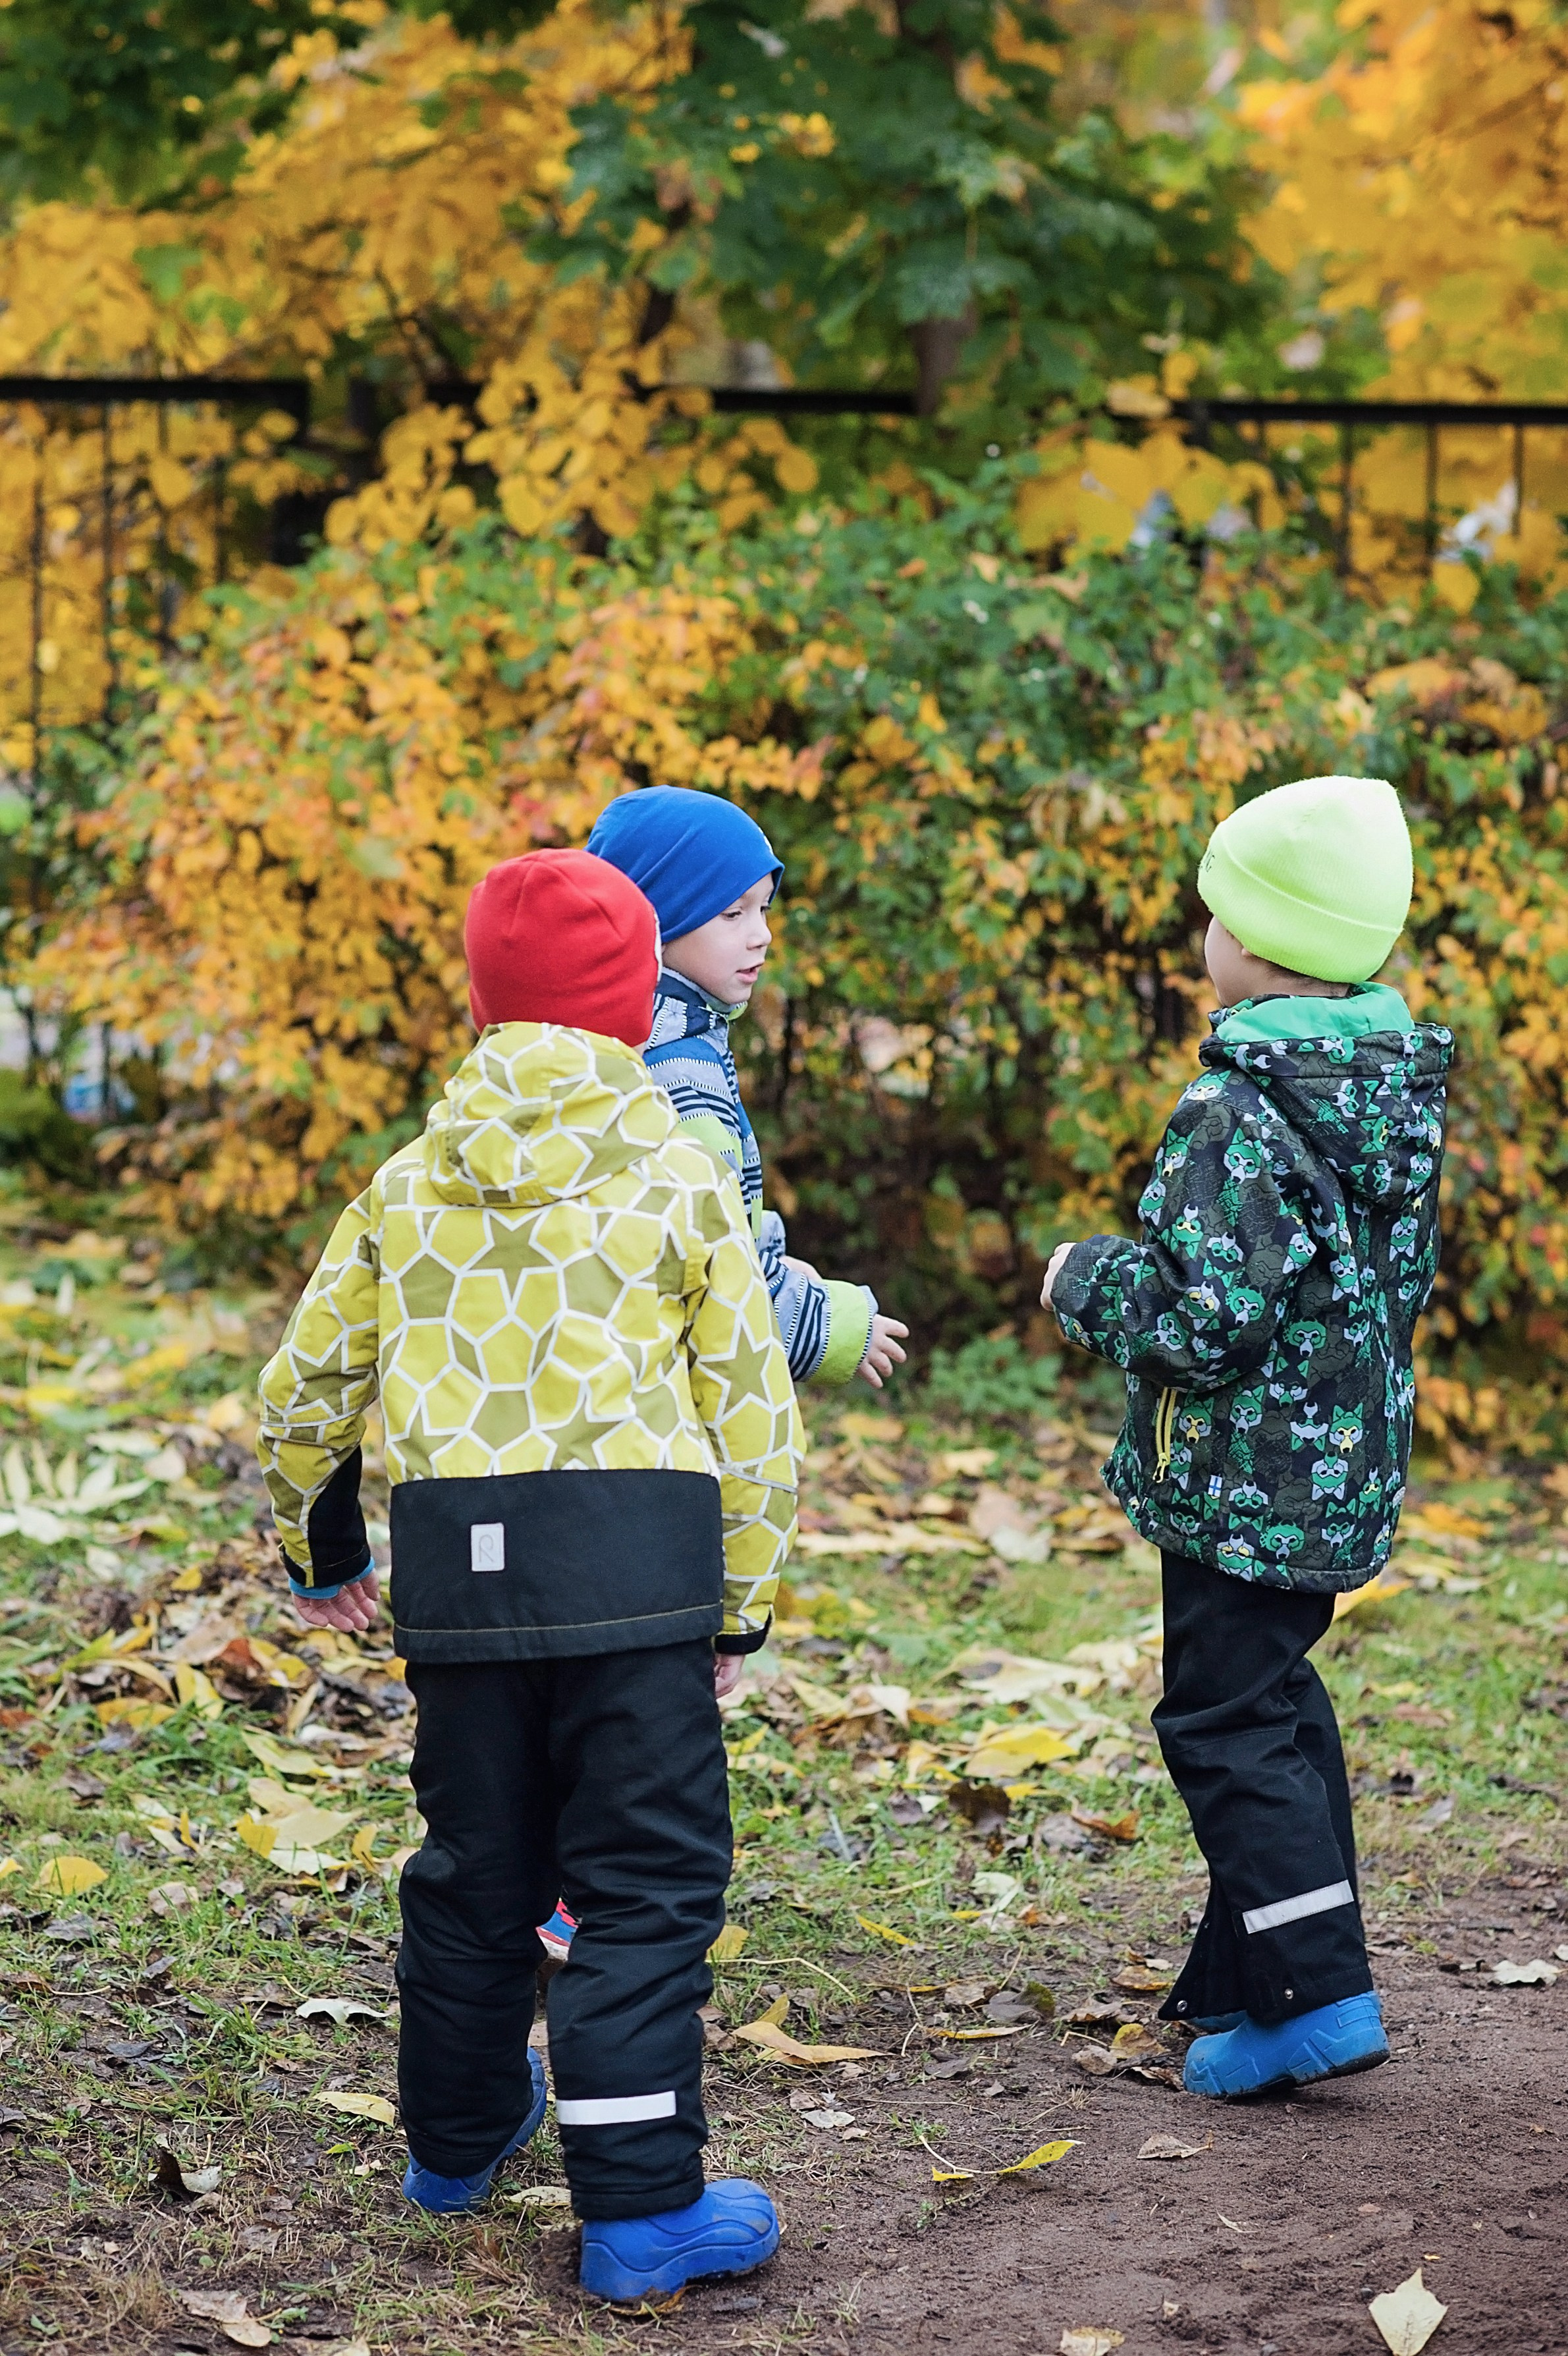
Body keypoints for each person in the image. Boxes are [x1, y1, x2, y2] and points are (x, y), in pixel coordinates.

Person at [257, 848, 803, 2301]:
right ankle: (637, 2210)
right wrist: (737, 1602)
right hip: (639, 1581)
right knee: (640, 1884)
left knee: (474, 1866)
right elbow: (751, 1414)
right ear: (636, 1007)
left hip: (464, 1584)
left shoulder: (405, 1181)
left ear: (485, 1002)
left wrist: (326, 1548)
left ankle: (453, 2143)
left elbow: (305, 1385)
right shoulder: (678, 1176)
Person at [1041, 775, 1451, 2099]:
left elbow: (1199, 1322)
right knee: (1273, 1709)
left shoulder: (1237, 1109)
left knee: (1219, 1724)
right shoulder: (1380, 1090)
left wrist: (1081, 1279)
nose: (1197, 935)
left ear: (1257, 944)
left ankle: (1310, 1996)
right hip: (1331, 1471)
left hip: (1240, 1486)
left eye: (1212, 914)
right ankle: (1245, 1976)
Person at [587, 784, 909, 1390]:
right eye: (732, 913)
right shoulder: (679, 1075)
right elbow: (715, 1268)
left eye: (763, 909)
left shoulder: (626, 1038)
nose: (760, 934)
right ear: (656, 924)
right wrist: (828, 1324)